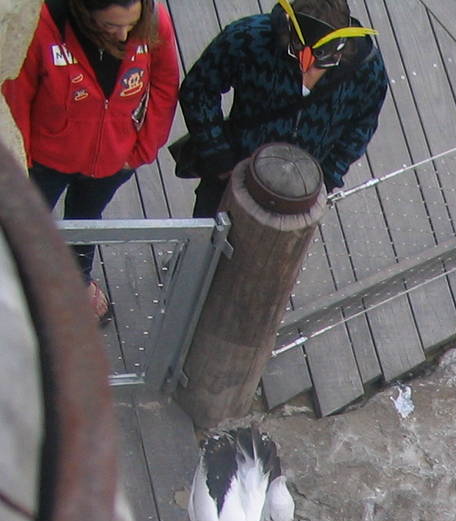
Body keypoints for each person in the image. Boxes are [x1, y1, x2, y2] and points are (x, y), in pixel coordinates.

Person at [2, 0, 179, 320]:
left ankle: (78, 279)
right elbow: (18, 93)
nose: (125, 35)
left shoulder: (153, 21)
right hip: (45, 160)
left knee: (86, 219)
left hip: (112, 159)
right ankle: (21, 287)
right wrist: (23, 160)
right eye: (111, 26)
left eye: (131, 24)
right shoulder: (45, 26)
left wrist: (142, 150)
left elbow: (165, 84)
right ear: (85, 14)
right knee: (25, 224)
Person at [178, 0, 387, 219]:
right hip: (230, 177)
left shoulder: (367, 69)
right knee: (204, 248)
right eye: (297, 51)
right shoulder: (249, 38)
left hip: (301, 197)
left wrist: (326, 178)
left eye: (321, 58)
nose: (306, 68)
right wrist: (218, 155)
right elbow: (198, 89)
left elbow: (362, 127)